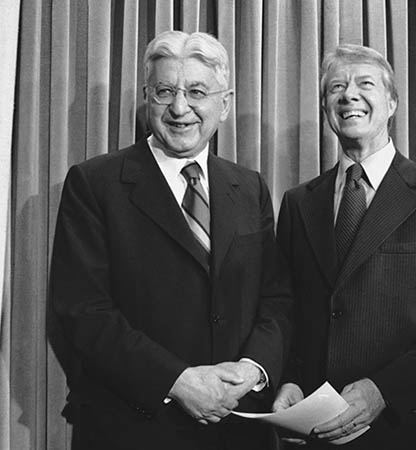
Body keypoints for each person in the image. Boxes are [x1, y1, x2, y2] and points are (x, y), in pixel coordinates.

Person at [50, 31, 293, 450]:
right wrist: (177, 381)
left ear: (226, 103)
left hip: (239, 431)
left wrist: (254, 370)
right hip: (132, 427)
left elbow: (276, 299)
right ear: (148, 97)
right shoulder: (94, 183)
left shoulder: (249, 187)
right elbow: (83, 311)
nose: (180, 108)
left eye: (197, 91)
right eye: (165, 92)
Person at [272, 44, 416, 449]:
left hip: (407, 427)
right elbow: (287, 308)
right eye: (336, 87)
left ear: (392, 102)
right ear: (326, 108)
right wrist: (289, 380)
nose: (348, 94)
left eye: (364, 84)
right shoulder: (299, 202)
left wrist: (383, 390)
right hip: (316, 429)